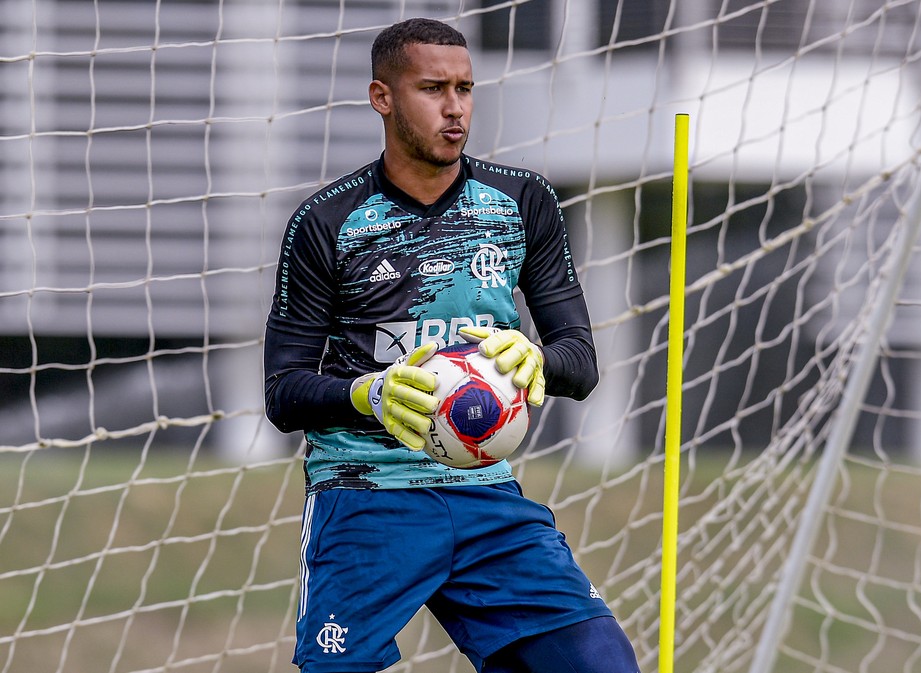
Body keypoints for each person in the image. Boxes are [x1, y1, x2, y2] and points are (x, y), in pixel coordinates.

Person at [264, 17, 641, 673]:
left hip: (485, 493)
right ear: (383, 97)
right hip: (366, 499)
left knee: (599, 663)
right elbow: (283, 391)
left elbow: (580, 362)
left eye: (465, 88)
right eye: (433, 88)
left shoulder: (523, 202)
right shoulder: (327, 222)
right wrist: (370, 394)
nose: (455, 108)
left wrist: (538, 360)